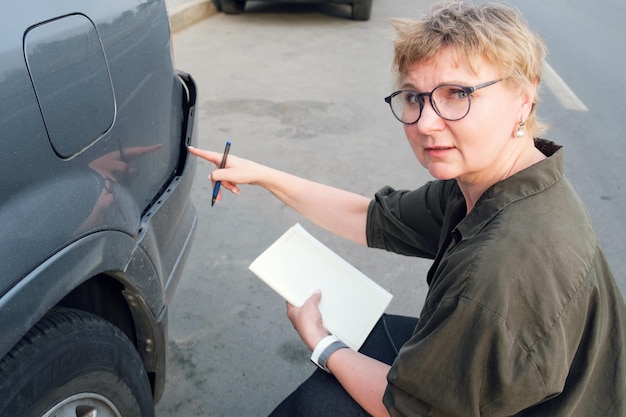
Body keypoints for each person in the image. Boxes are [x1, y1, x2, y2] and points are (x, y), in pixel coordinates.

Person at [189, 1, 626, 415]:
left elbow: (408, 409)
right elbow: (371, 219)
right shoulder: (489, 180)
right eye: (414, 97)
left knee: (315, 404)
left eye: (457, 93)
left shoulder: (502, 264)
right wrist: (263, 174)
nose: (426, 123)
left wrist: (322, 343)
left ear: (524, 97)